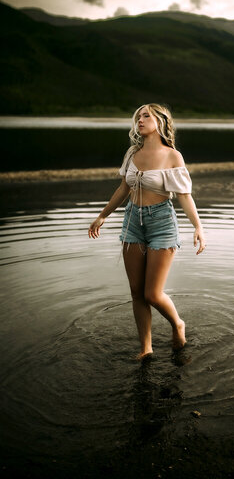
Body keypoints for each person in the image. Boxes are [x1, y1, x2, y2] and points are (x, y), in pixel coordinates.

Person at [88, 103, 206, 360]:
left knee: (152, 293)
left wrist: (198, 227)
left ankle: (177, 324)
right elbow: (123, 189)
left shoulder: (172, 156)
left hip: (162, 223)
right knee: (136, 291)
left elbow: (185, 196)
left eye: (146, 116)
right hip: (132, 222)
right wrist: (102, 216)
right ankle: (146, 347)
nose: (139, 120)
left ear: (160, 122)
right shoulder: (132, 153)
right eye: (138, 117)